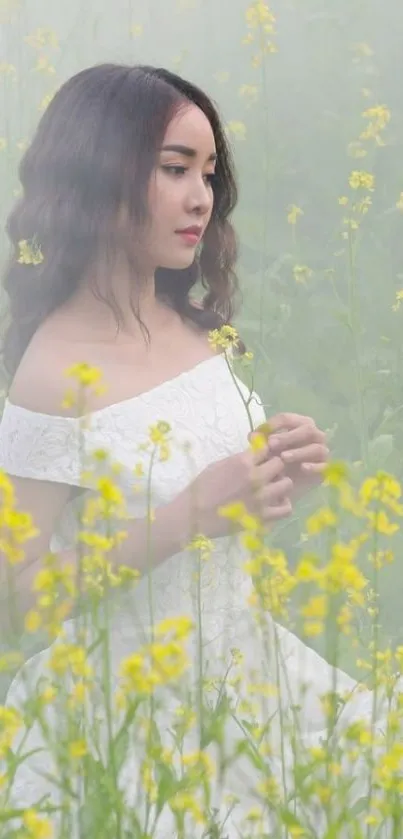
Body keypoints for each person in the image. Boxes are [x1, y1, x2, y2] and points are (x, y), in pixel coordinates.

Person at [0, 64, 393, 837]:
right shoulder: (50, 371)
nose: (200, 198)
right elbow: (23, 601)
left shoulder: (190, 324)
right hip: (133, 713)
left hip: (253, 670)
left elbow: (216, 505)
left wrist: (279, 470)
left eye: (208, 173)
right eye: (174, 169)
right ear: (97, 171)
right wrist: (187, 516)